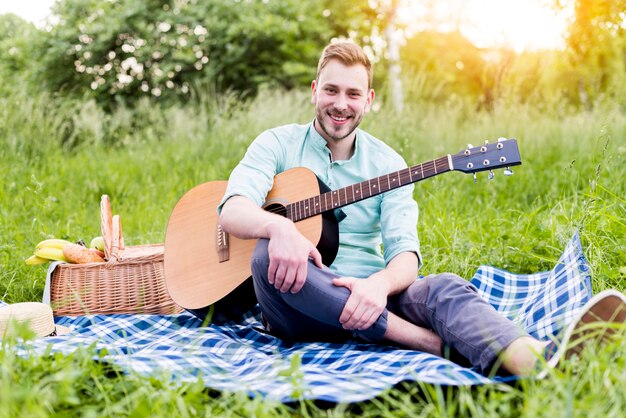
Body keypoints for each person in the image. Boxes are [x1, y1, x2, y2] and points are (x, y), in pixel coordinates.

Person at [218, 41, 625, 376]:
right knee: (267, 257)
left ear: (369, 100)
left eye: (353, 94)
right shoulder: (276, 143)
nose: (341, 104)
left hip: (375, 296)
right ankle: (424, 341)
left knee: (444, 286)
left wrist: (376, 286)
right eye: (331, 90)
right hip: (299, 307)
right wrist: (280, 229)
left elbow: (405, 255)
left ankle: (541, 361)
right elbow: (232, 208)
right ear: (313, 90)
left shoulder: (388, 164)